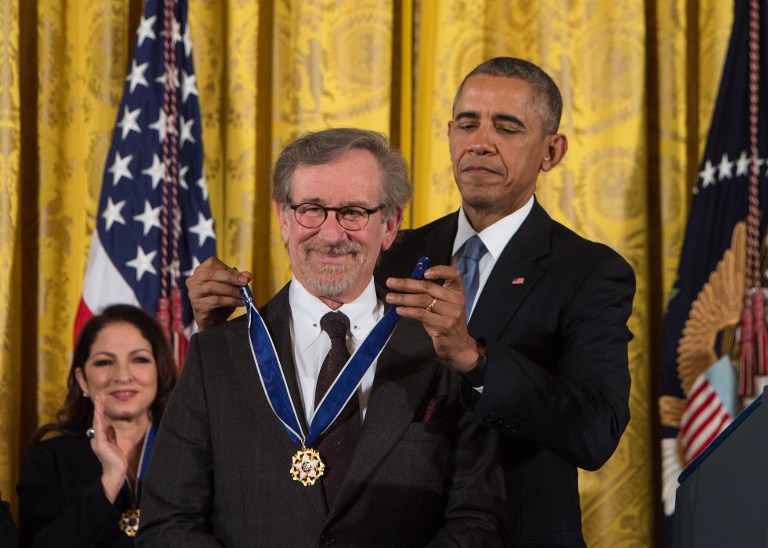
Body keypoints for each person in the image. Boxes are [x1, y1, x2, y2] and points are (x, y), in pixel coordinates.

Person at [186, 57, 636, 547]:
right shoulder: (389, 248)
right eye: (467, 123)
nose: (480, 141)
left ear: (552, 151)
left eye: (507, 127)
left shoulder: (590, 273)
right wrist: (216, 324)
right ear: (448, 135)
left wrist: (475, 360)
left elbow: (595, 431)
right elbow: (294, 349)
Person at [136, 128, 509, 547]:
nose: (331, 235)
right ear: (283, 219)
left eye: (353, 212)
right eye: (311, 209)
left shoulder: (443, 350)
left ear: (390, 225)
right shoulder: (217, 354)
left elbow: (479, 522)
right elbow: (166, 525)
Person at [17, 305, 178, 547]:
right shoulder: (47, 459)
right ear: (83, 379)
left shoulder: (192, 451)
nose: (123, 376)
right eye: (104, 362)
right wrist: (109, 482)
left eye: (139, 359)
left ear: (159, 370)